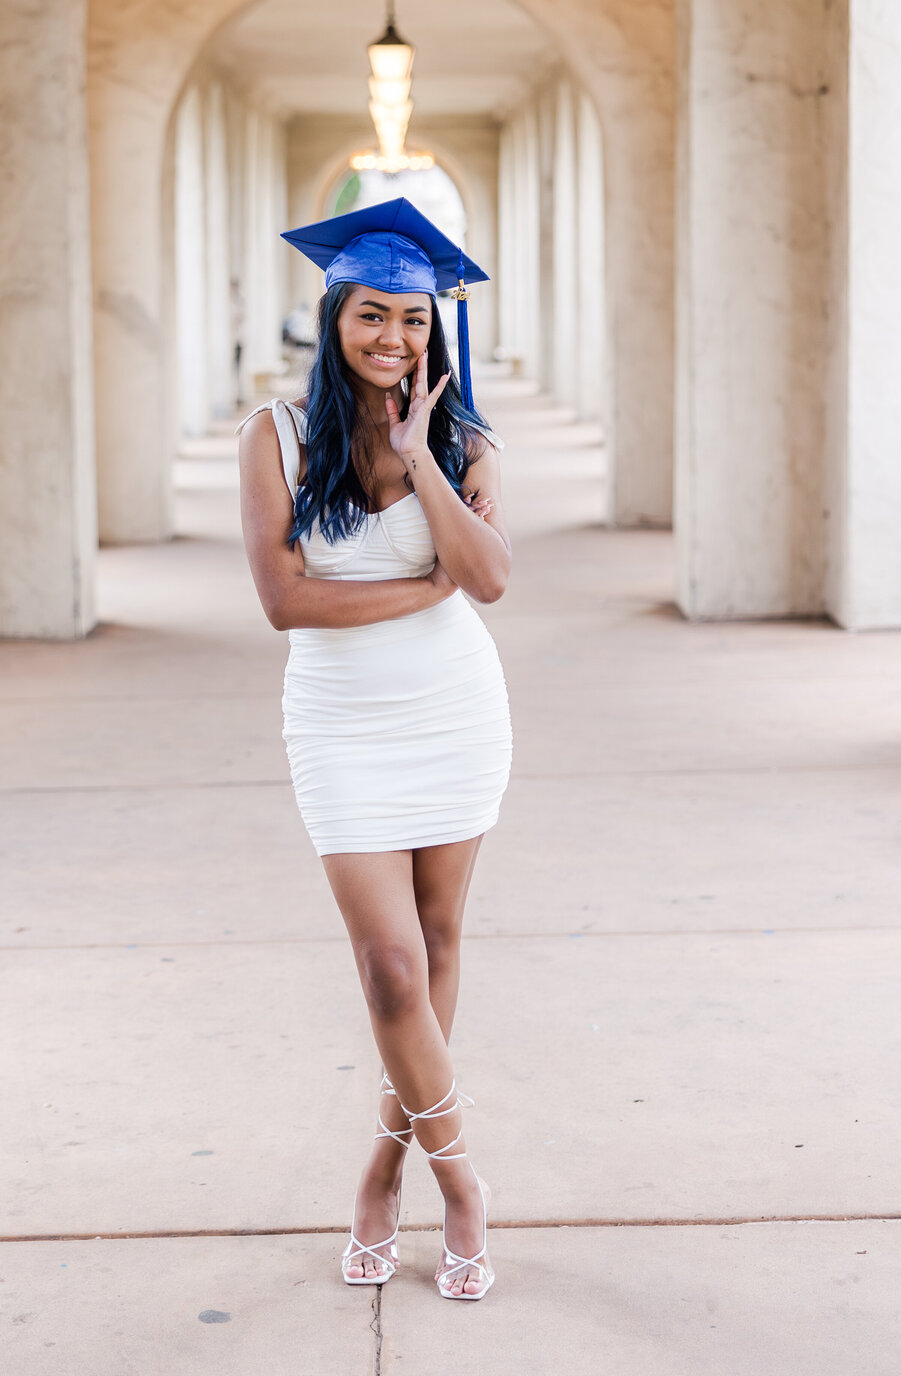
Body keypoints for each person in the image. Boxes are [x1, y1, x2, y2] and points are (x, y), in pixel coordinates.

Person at [238, 198, 512, 1302]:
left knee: (440, 945)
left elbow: (488, 580)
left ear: (436, 330)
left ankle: (386, 1170)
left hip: (455, 715)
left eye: (412, 317)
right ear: (334, 316)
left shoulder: (468, 441)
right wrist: (423, 586)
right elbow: (284, 604)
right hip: (341, 730)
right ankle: (467, 1191)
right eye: (370, 313)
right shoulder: (279, 437)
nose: (392, 336)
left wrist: (422, 459)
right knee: (391, 965)